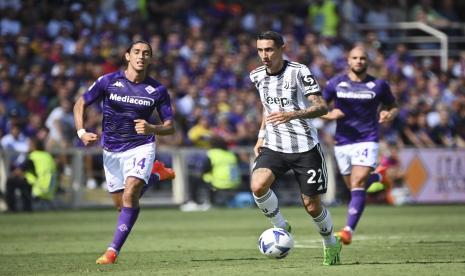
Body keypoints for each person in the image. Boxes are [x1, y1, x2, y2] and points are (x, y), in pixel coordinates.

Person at [73, 40, 175, 265]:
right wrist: (81, 132)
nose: (141, 56)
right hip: (111, 150)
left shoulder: (157, 90)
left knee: (130, 195)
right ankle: (156, 173)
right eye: (136, 52)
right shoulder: (108, 81)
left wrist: (152, 128)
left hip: (141, 146)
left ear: (150, 59)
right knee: (122, 206)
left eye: (146, 53)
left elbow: (171, 126)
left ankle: (112, 252)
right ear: (127, 56)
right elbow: (80, 103)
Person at [250, 31, 341, 266]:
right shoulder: (257, 75)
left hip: (305, 147)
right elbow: (266, 107)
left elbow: (322, 107)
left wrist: (293, 114)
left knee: (311, 205)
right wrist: (261, 137)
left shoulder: (299, 72)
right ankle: (281, 226)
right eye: (260, 50)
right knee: (258, 186)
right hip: (274, 145)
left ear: (282, 48)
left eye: (269, 49)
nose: (264, 55)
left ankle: (331, 242)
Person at [321, 45, 398, 245]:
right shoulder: (335, 83)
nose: (359, 61)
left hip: (367, 139)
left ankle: (348, 230)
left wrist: (388, 114)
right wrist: (330, 115)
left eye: (362, 58)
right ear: (348, 60)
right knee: (356, 188)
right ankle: (380, 176)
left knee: (357, 182)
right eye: (354, 57)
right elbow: (318, 108)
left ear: (367, 61)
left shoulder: (379, 85)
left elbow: (393, 106)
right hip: (343, 142)